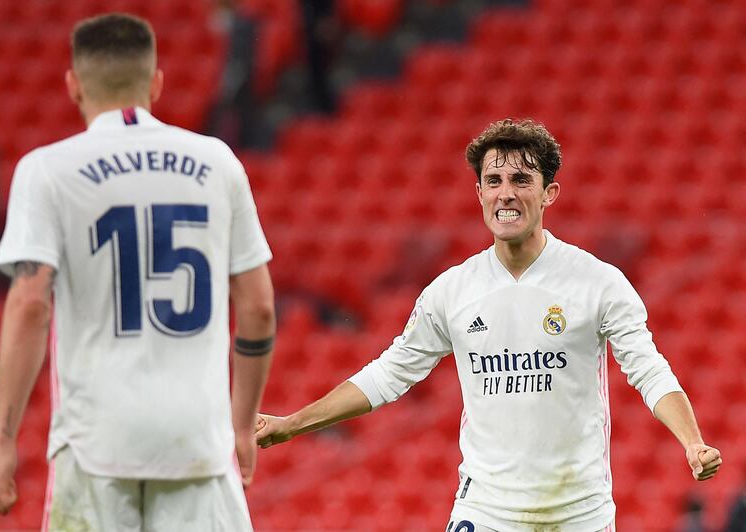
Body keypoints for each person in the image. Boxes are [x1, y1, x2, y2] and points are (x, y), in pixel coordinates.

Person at [255, 119, 722, 530]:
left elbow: (649, 368)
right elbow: (387, 375)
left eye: (522, 179)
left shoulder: (597, 281)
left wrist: (692, 441)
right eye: (493, 180)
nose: (506, 193)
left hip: (578, 513)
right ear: (479, 192)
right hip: (487, 511)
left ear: (549, 193)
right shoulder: (452, 291)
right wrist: (294, 423)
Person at [0, 13, 275, 531]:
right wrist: (243, 424)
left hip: (96, 442)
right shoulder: (218, 162)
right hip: (197, 442)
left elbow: (30, 302)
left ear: (73, 85)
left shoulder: (48, 169)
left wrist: (4, 440)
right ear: (156, 82)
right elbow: (257, 306)